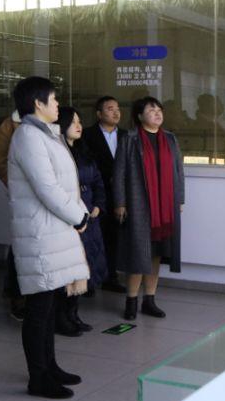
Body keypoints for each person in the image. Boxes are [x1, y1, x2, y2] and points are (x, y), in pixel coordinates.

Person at [8, 77, 89, 399]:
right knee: (39, 310)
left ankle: (51, 367)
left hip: (54, 229)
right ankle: (38, 377)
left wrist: (80, 212)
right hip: (41, 234)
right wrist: (79, 216)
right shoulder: (28, 136)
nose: (57, 105)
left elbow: (67, 186)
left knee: (50, 305)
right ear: (37, 103)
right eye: (53, 99)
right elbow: (47, 188)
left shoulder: (46, 134)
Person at [114, 96, 185, 321]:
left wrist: (180, 200)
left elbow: (178, 171)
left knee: (156, 253)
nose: (157, 113)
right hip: (139, 205)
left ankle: (150, 300)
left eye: (159, 110)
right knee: (138, 253)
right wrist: (120, 202)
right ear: (139, 116)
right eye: (151, 110)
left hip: (165, 206)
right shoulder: (129, 138)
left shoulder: (170, 139)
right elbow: (119, 173)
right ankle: (131, 301)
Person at [56, 106, 108, 335]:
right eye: (73, 122)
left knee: (83, 266)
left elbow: (98, 181)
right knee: (67, 270)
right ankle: (61, 317)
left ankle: (73, 314)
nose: (78, 126)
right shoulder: (57, 152)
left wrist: (98, 204)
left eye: (79, 121)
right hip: (70, 217)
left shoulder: (83, 150)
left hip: (89, 216)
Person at [81, 95, 127, 293]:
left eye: (117, 108)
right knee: (92, 238)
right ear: (99, 114)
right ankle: (89, 280)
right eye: (110, 109)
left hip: (120, 195)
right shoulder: (87, 135)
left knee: (113, 237)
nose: (116, 112)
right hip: (96, 194)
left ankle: (110, 278)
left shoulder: (126, 135)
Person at [0, 108, 25, 320]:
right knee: (20, 246)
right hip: (22, 196)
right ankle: (16, 295)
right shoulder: (12, 123)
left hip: (47, 197)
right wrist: (14, 184)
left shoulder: (51, 122)